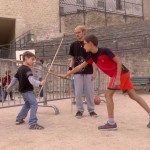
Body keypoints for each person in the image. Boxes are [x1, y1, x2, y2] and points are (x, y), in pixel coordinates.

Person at [59, 34, 150, 129]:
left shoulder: (105, 51)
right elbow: (79, 67)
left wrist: (118, 78)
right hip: (123, 73)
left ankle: (111, 123)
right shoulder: (91, 57)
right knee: (133, 95)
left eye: (85, 44)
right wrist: (67, 74)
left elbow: (119, 62)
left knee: (108, 95)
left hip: (119, 73)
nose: (83, 46)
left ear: (90, 43)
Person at [7, 51, 46, 130]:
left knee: (28, 104)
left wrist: (9, 88)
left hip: (22, 90)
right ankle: (32, 123)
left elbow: (14, 79)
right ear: (26, 58)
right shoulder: (27, 69)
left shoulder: (20, 69)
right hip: (27, 90)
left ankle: (19, 119)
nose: (33, 61)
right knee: (34, 104)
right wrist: (40, 83)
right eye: (32, 59)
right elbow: (31, 80)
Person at [68, 25, 97, 119]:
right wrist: (70, 70)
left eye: (78, 32)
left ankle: (91, 110)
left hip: (89, 71)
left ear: (84, 32)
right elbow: (72, 59)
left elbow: (94, 59)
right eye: (75, 33)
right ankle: (79, 110)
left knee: (89, 92)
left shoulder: (89, 44)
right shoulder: (73, 45)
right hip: (77, 72)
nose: (77, 34)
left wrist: (94, 72)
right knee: (78, 92)